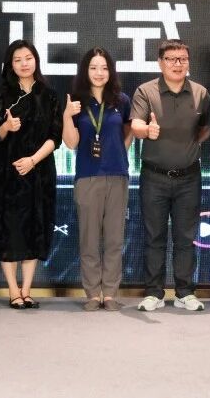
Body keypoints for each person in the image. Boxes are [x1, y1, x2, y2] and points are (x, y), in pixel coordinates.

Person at [130, 40, 210, 311]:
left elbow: (205, 128)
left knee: (185, 238)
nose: (177, 64)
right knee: (154, 236)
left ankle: (184, 292)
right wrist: (146, 131)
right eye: (171, 59)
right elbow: (136, 124)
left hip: (189, 177)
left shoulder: (200, 93)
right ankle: (153, 293)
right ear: (160, 62)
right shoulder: (146, 91)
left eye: (182, 59)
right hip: (154, 176)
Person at [0, 40, 63, 309]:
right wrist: (6, 126)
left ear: (36, 60)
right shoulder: (0, 93)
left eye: (28, 58)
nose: (24, 63)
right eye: (17, 59)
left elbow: (56, 137)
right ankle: (13, 291)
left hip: (39, 171)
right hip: (7, 174)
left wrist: (32, 160)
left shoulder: (49, 94)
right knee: (8, 230)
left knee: (35, 229)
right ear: (10, 64)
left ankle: (27, 289)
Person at [61, 48, 132, 312]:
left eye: (104, 68)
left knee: (114, 238)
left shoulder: (121, 101)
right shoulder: (76, 102)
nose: (99, 73)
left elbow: (127, 132)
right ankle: (92, 293)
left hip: (117, 175)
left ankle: (110, 293)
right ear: (85, 71)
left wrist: (117, 152)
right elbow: (71, 143)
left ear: (110, 71)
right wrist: (66, 115)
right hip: (88, 176)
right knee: (89, 239)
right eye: (93, 68)